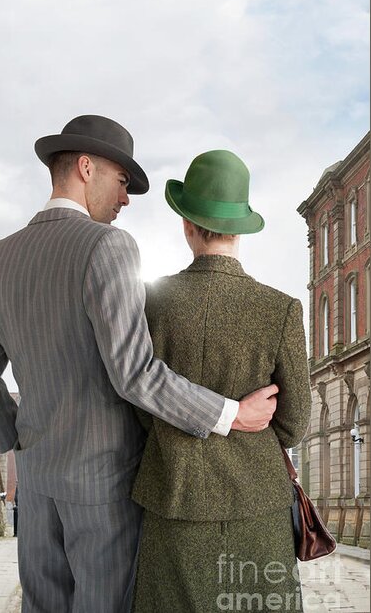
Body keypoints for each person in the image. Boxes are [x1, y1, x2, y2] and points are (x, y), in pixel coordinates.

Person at [0, 116, 279, 613]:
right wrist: (231, 414)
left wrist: (19, 443)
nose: (126, 199)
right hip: (103, 485)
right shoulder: (107, 246)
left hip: (37, 486)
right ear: (86, 167)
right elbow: (135, 373)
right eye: (123, 181)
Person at [131, 149, 312, 613]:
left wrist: (178, 433)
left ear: (187, 226)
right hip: (258, 504)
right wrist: (245, 422)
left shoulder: (152, 303)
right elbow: (295, 423)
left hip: (173, 495)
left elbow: (138, 401)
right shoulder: (281, 309)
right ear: (240, 230)